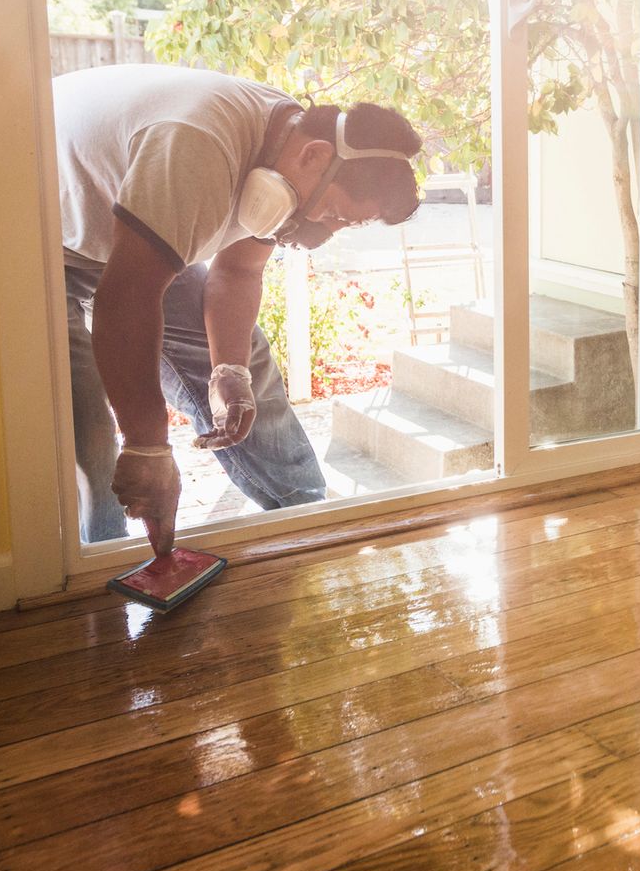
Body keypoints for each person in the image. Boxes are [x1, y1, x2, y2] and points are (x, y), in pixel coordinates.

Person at [54, 63, 423, 553]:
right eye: (333, 213)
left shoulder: (284, 154)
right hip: (46, 238)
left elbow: (238, 272)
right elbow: (126, 299)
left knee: (246, 369)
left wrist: (228, 370)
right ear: (315, 156)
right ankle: (104, 559)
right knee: (86, 428)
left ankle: (306, 517)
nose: (323, 231)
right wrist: (148, 447)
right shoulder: (199, 146)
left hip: (138, 232)